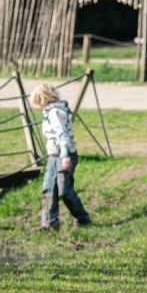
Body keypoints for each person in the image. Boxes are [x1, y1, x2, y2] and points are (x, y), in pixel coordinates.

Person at [30, 83, 91, 230]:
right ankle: (49, 223)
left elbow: (62, 135)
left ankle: (83, 219)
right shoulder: (51, 111)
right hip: (54, 156)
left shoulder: (55, 113)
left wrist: (65, 156)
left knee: (65, 191)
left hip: (64, 155)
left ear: (43, 98)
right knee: (49, 188)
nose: (38, 105)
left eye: (38, 101)